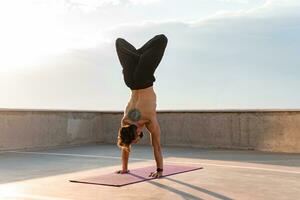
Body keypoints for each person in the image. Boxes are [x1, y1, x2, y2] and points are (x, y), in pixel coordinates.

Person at [115, 34, 168, 178]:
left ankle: (138, 56)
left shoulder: (149, 121)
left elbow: (156, 146)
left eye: (137, 139)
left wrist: (160, 171)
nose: (138, 139)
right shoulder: (125, 120)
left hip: (143, 78)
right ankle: (137, 56)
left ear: (136, 134)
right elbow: (125, 146)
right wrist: (124, 169)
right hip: (131, 81)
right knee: (119, 43)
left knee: (162, 40)